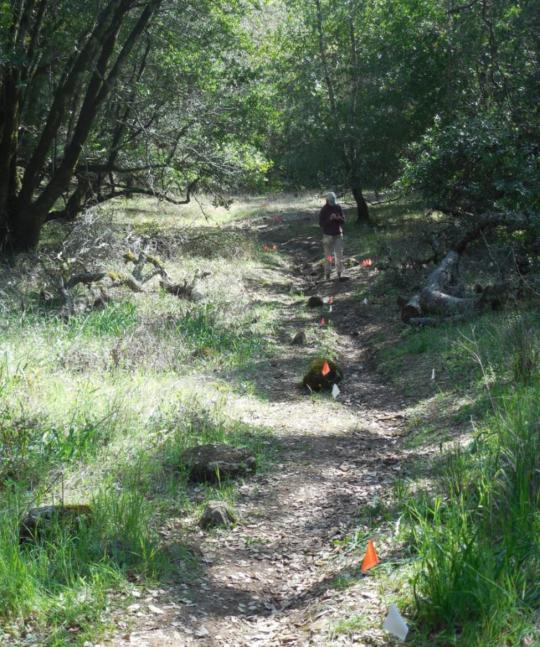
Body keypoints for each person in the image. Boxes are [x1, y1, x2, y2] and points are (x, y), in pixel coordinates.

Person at [319, 191, 345, 280]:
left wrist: (338, 218)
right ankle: (327, 274)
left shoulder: (338, 207)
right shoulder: (324, 209)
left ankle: (339, 273)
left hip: (338, 234)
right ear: (327, 200)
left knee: (339, 255)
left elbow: (343, 221)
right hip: (327, 236)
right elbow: (321, 224)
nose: (332, 203)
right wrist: (330, 219)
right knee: (328, 256)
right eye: (331, 202)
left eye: (333, 201)